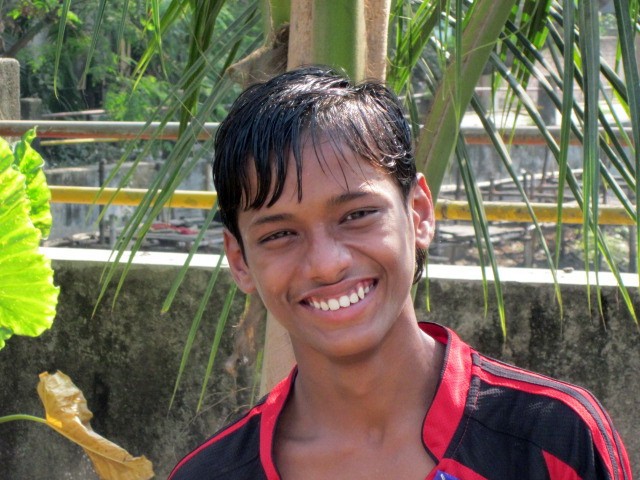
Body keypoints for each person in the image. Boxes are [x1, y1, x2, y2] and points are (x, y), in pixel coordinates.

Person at [169, 67, 632, 480]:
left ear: (419, 213)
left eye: (357, 215)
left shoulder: (554, 441)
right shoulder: (208, 474)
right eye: (279, 234)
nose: (327, 264)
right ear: (239, 260)